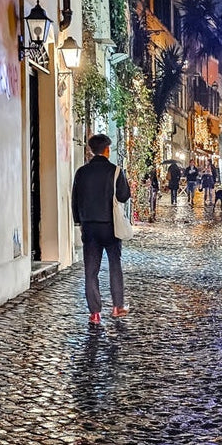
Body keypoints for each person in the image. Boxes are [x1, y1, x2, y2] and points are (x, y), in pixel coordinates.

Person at [71, 134, 131, 323]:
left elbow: (75, 199)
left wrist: (79, 222)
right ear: (106, 150)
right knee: (115, 265)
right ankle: (117, 306)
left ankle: (95, 313)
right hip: (110, 226)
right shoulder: (115, 171)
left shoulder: (81, 172)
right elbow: (123, 196)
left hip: (89, 226)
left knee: (91, 270)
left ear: (91, 150)